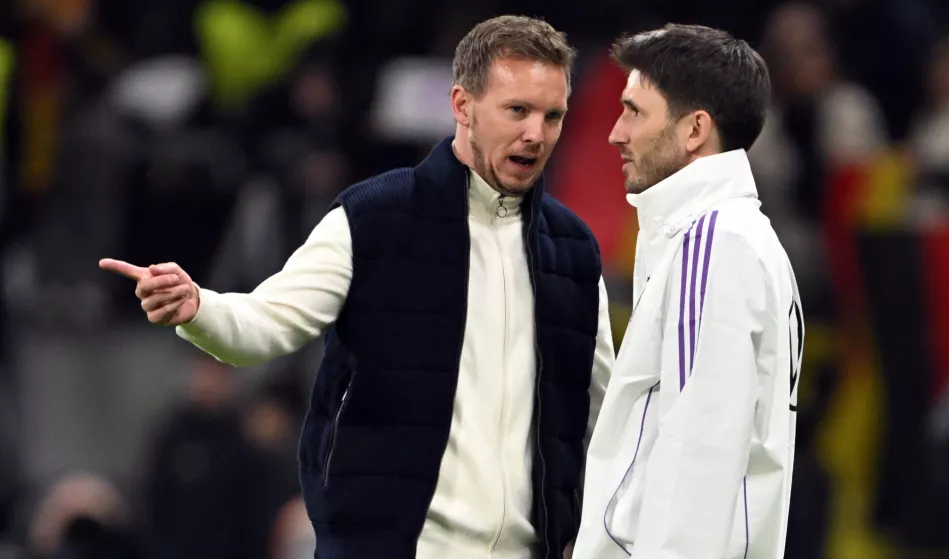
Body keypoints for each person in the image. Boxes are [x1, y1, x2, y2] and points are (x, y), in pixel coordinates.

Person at [100, 15, 614, 559]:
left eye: (552, 115)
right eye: (517, 111)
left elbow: (606, 411)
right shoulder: (372, 217)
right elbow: (265, 322)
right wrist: (197, 307)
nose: (536, 133)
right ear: (463, 106)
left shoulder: (573, 249)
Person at [572, 24, 802, 559]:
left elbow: (697, 452)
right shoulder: (721, 236)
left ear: (695, 129)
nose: (615, 132)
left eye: (634, 111)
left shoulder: (714, 243)